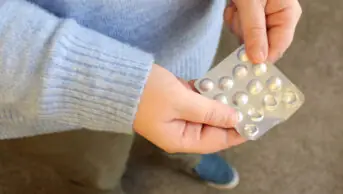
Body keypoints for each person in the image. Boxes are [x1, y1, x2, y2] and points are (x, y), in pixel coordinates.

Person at [0, 0, 302, 193]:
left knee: (198, 120)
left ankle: (189, 152)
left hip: (190, 47)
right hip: (55, 95)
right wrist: (117, 85)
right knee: (95, 171)